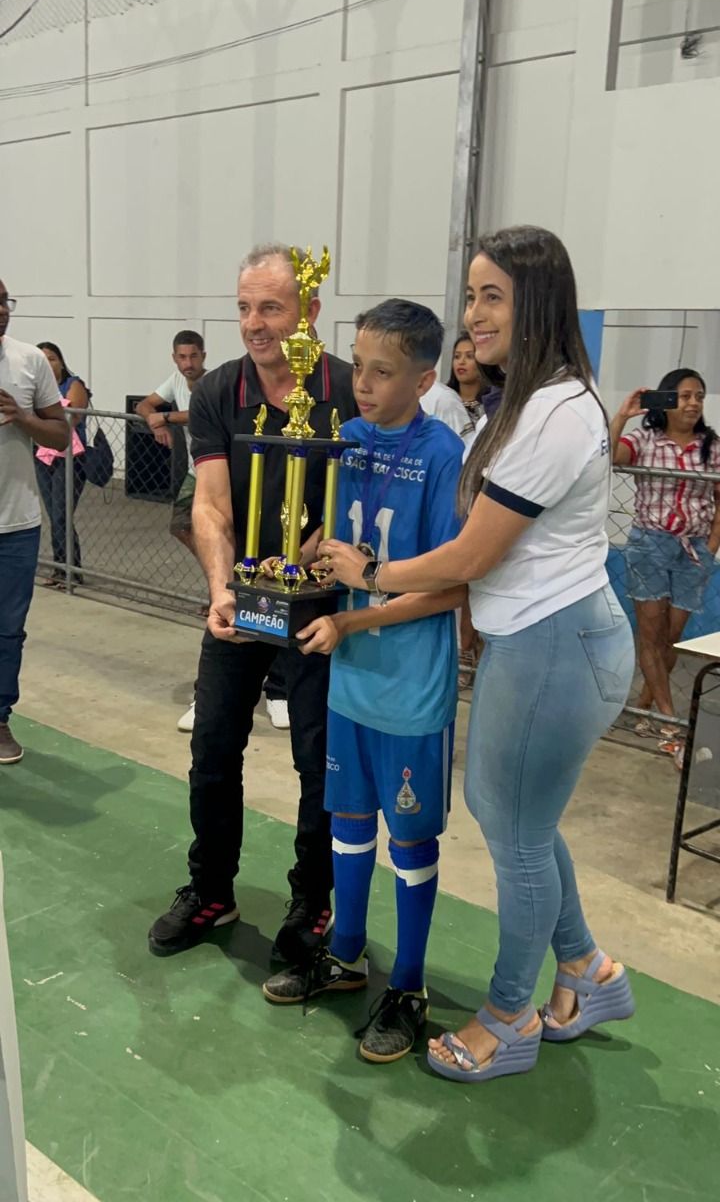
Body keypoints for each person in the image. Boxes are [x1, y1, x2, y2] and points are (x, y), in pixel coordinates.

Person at [320, 226, 636, 1083]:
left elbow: (470, 556)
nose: (474, 315)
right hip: (536, 639)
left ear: (538, 302)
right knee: (522, 819)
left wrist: (368, 575)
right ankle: (587, 969)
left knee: (515, 834)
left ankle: (508, 1018)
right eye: (470, 296)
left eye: (492, 296)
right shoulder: (525, 402)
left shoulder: (555, 412)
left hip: (555, 643)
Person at [262, 299, 464, 1063]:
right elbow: (330, 538)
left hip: (409, 688)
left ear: (425, 379)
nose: (365, 383)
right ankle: (346, 953)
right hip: (350, 680)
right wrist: (297, 562)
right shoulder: (344, 438)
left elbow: (451, 586)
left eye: (384, 372)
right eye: (360, 367)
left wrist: (353, 619)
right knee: (347, 821)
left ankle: (408, 987)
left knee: (409, 839)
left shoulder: (443, 455)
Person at [148, 244, 355, 963]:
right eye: (244, 308)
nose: (254, 323)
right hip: (241, 602)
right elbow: (210, 503)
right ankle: (211, 889)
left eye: (271, 307)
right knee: (211, 748)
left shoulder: (348, 390)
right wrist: (222, 591)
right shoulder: (218, 391)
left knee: (318, 762)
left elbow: (362, 496)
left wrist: (315, 557)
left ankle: (313, 903)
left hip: (323, 612)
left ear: (310, 311)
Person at [611, 370, 720, 745]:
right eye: (685, 396)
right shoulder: (645, 439)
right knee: (651, 634)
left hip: (694, 549)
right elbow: (609, 456)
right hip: (650, 545)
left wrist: (711, 547)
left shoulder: (711, 446)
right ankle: (670, 721)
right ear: (666, 400)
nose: (693, 403)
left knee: (670, 638)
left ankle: (646, 706)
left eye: (699, 396)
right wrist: (622, 415)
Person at [0, 281, 68, 764]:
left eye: (4, 302)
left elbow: (60, 435)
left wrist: (23, 418)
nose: (1, 311)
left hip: (16, 526)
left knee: (8, 631)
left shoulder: (29, 361)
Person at [136, 331, 207, 561]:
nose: (188, 363)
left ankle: (224, 567)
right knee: (179, 525)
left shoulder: (213, 382)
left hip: (217, 470)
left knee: (220, 527)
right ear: (174, 358)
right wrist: (156, 425)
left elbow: (200, 414)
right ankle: (214, 566)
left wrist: (165, 417)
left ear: (203, 356)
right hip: (194, 471)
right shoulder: (176, 379)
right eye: (182, 357)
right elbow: (144, 405)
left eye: (193, 356)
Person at [34, 342, 90, 587]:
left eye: (52, 358)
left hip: (70, 458)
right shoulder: (37, 388)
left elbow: (70, 418)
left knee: (61, 515)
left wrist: (39, 416)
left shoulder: (73, 385)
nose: (48, 364)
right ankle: (61, 568)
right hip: (43, 457)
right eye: (42, 359)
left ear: (61, 361)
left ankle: (71, 571)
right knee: (53, 514)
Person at [447, 330, 488, 424]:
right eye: (457, 356)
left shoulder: (492, 402)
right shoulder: (445, 399)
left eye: (469, 356)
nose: (461, 362)